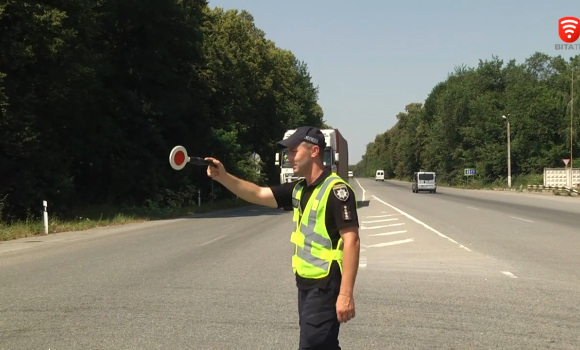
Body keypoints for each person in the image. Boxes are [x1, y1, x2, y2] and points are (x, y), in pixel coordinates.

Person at [205, 126, 360, 350]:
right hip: (305, 283)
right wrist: (223, 177)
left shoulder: (337, 192)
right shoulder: (298, 189)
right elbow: (257, 193)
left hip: (326, 284)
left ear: (314, 151)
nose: (289, 157)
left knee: (312, 345)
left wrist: (346, 294)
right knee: (320, 344)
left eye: (294, 151)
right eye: (287, 152)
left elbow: (352, 241)